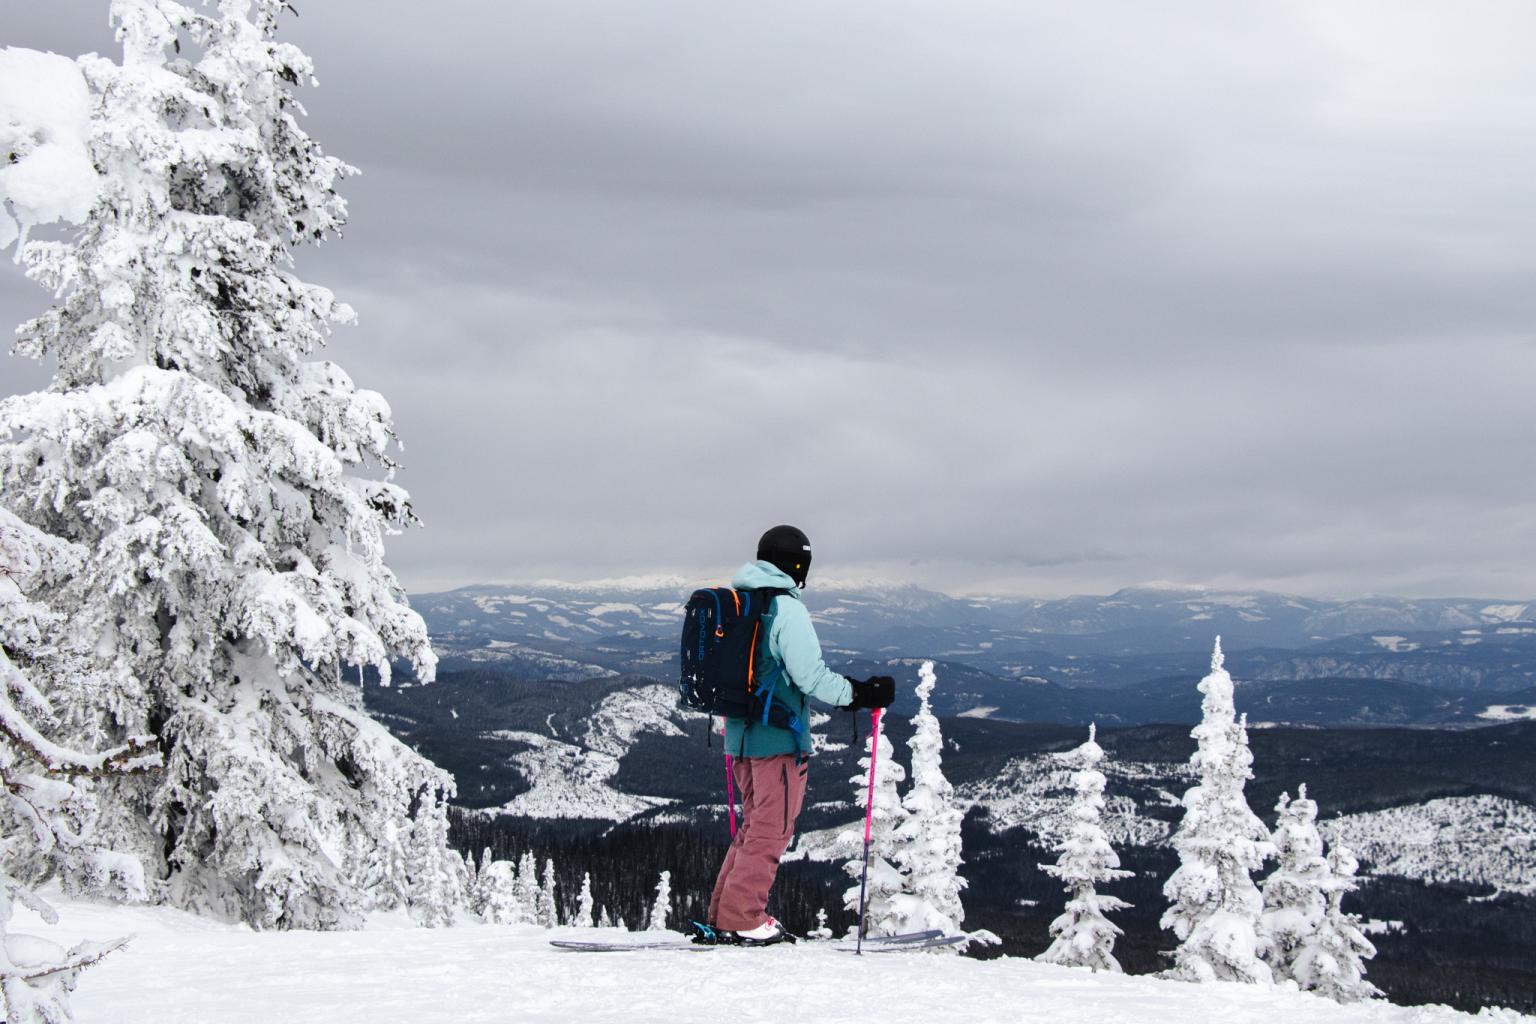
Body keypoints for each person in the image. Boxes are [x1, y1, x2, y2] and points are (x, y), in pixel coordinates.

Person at [702, 524, 896, 946]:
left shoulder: (740, 602)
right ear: (797, 563)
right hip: (778, 740)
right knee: (771, 830)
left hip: (740, 739)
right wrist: (859, 693)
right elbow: (810, 677)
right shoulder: (785, 609)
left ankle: (726, 913)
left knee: (755, 827)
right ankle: (742, 917)